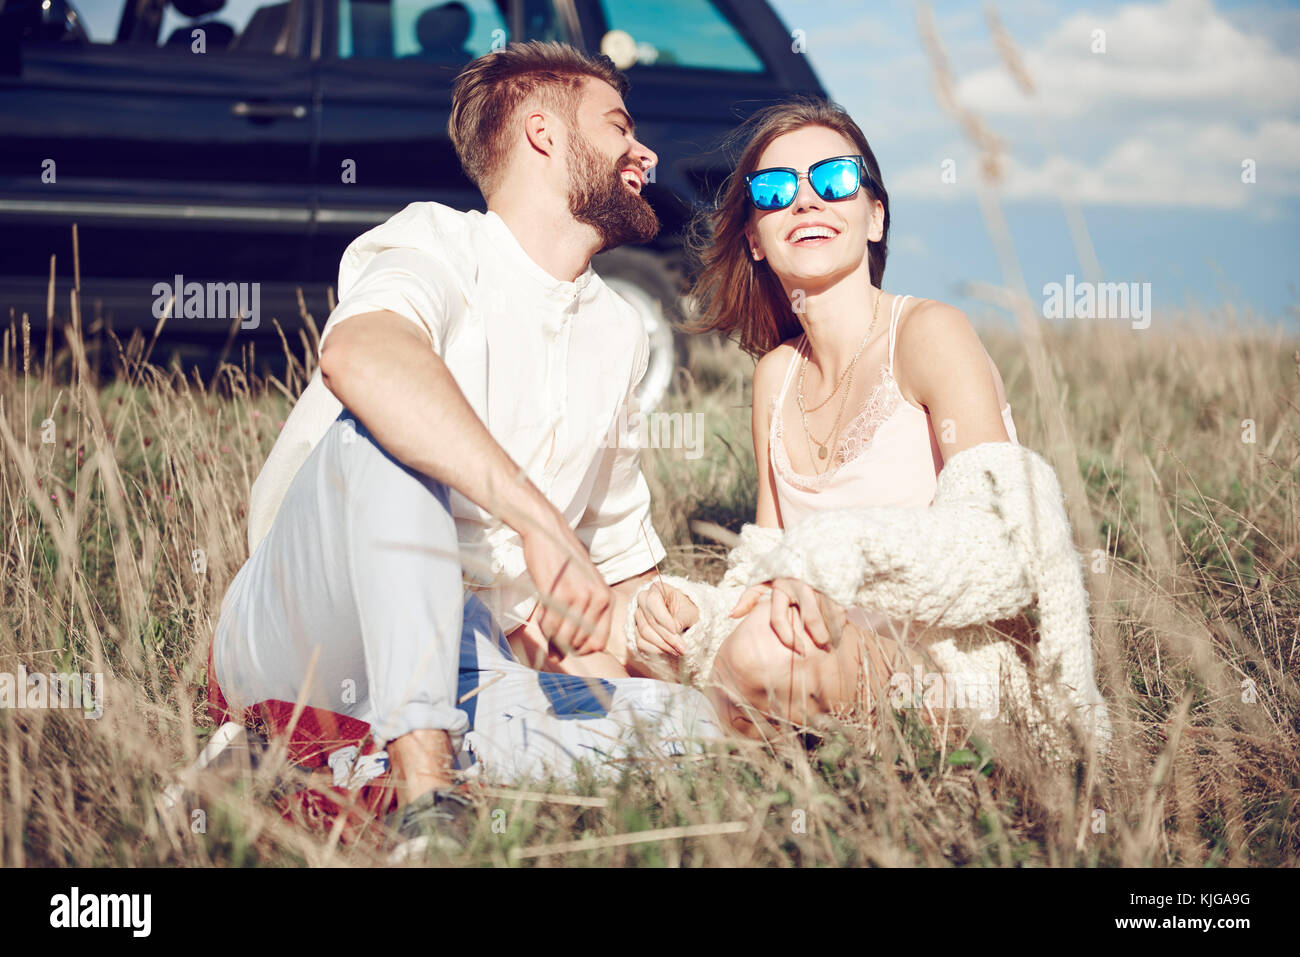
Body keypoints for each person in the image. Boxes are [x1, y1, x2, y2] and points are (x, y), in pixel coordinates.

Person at [211, 41, 721, 855]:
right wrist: (538, 522)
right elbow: (360, 359)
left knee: (694, 727)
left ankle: (322, 763)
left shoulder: (620, 331)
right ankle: (426, 807)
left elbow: (618, 570)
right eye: (619, 125)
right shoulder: (435, 244)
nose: (645, 152)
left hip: (471, 666)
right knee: (386, 436)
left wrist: (652, 620)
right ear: (544, 134)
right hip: (312, 627)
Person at [605, 97, 1109, 756]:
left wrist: (831, 555)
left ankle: (700, 740)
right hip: (811, 645)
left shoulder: (930, 334)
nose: (806, 201)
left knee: (757, 653)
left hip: (951, 664)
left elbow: (1010, 547)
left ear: (874, 216)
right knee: (615, 618)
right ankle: (713, 729)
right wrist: (691, 618)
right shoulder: (775, 374)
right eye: (776, 190)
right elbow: (763, 569)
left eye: (835, 180)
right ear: (753, 237)